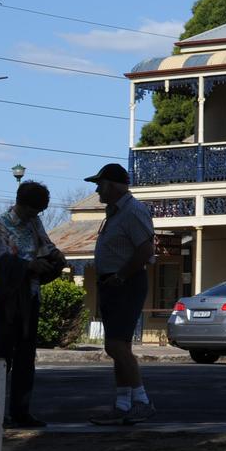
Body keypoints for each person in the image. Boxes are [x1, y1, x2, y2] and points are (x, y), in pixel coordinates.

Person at [0, 181, 66, 428]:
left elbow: (45, 243)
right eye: (33, 210)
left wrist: (55, 256)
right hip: (6, 299)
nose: (35, 216)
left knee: (25, 357)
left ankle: (22, 411)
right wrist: (29, 266)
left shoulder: (34, 222)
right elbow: (0, 263)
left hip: (30, 297)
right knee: (1, 357)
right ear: (21, 203)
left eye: (39, 212)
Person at [85, 163, 156, 425]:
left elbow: (146, 250)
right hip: (113, 284)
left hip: (126, 284)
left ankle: (142, 401)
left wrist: (121, 276)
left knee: (115, 346)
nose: (97, 189)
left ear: (114, 186)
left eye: (100, 184)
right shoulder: (115, 212)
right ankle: (123, 404)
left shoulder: (132, 211)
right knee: (118, 346)